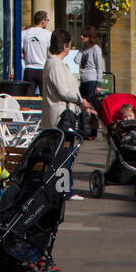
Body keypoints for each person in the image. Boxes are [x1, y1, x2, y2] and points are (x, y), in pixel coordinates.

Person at [40, 28, 92, 200]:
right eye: (69, 46)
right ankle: (64, 190)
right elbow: (63, 90)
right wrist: (80, 99)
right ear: (64, 46)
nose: (70, 49)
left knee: (66, 152)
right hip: (61, 117)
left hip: (63, 115)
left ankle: (63, 189)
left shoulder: (56, 64)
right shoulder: (55, 65)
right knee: (64, 154)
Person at [21, 10, 51, 94]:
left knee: (28, 97)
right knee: (45, 97)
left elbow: (19, 52)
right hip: (42, 68)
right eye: (47, 20)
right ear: (43, 21)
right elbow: (51, 52)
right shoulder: (48, 34)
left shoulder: (24, 33)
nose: (47, 22)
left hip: (29, 69)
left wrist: (26, 57)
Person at [79, 27, 105, 105]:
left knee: (90, 103)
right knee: (82, 103)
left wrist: (99, 84)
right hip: (83, 79)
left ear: (90, 37)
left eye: (84, 35)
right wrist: (81, 49)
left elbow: (99, 67)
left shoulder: (96, 49)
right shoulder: (84, 49)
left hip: (91, 80)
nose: (81, 37)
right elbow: (76, 60)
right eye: (81, 35)